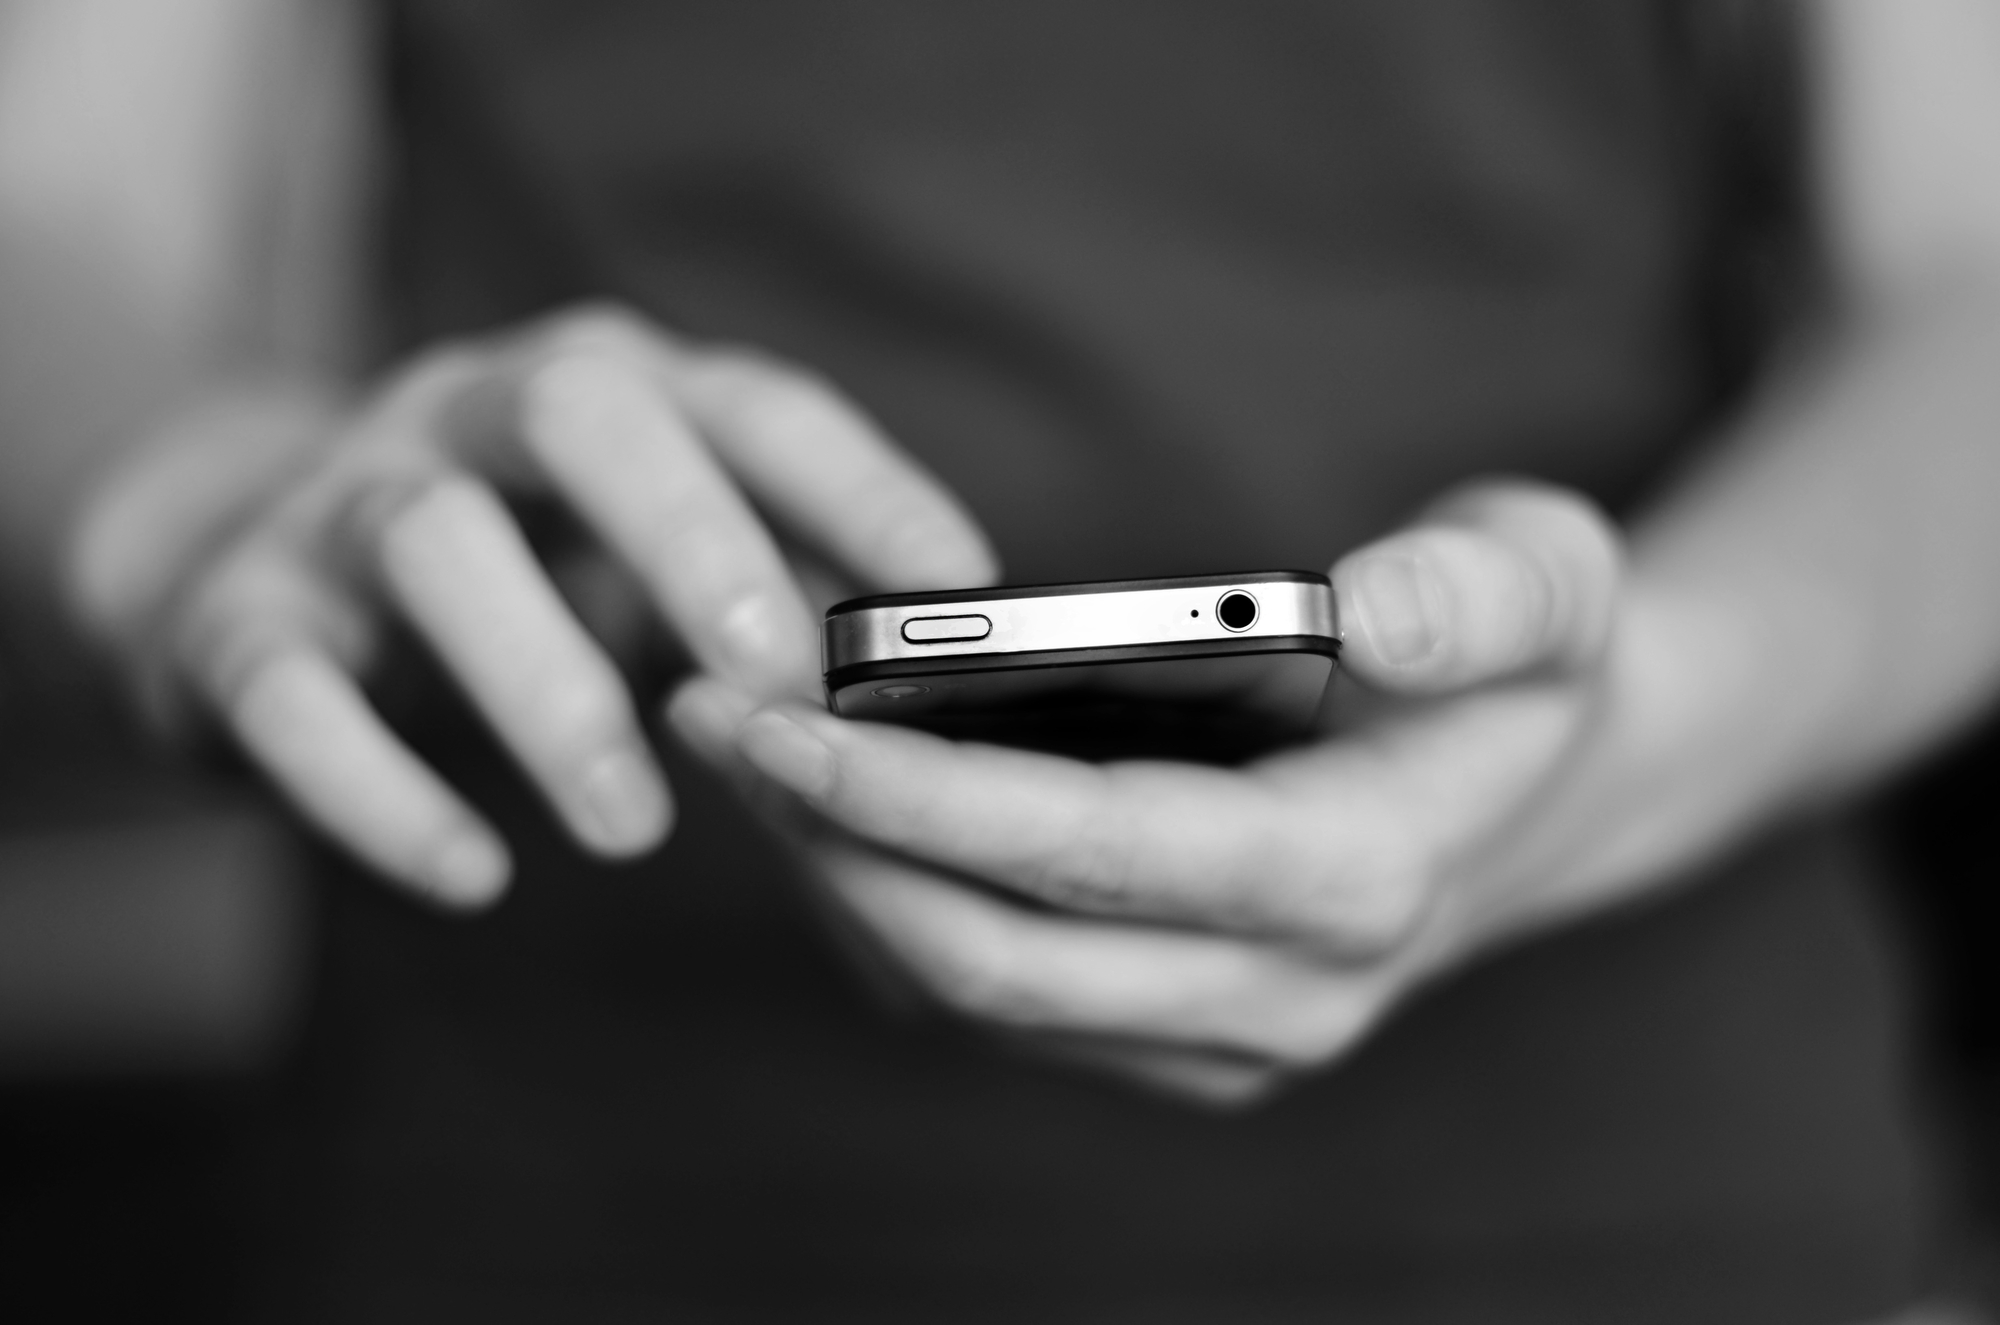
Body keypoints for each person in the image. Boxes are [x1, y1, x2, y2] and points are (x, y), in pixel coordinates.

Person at [9, 0, 2000, 1318]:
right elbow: (48, 218)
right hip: (566, 1200)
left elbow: (1968, 283)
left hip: (1640, 1214)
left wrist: (1643, 709)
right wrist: (197, 502)